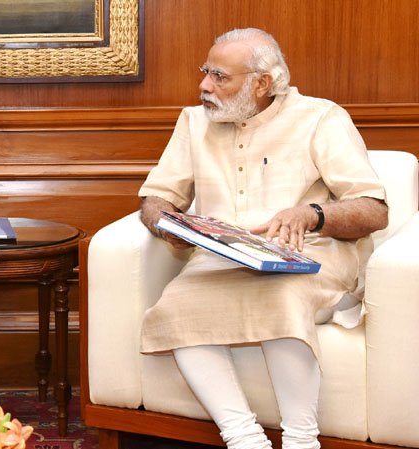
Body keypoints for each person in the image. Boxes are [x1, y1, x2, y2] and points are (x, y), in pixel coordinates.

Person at [138, 29, 388, 449]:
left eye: (220, 77)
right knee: (175, 307)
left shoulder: (321, 117)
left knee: (280, 299)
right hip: (223, 259)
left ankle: (301, 439)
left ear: (261, 83)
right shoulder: (193, 121)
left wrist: (312, 214)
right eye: (205, 72)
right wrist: (167, 223)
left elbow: (374, 209)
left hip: (307, 255)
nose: (204, 86)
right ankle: (243, 437)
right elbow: (157, 196)